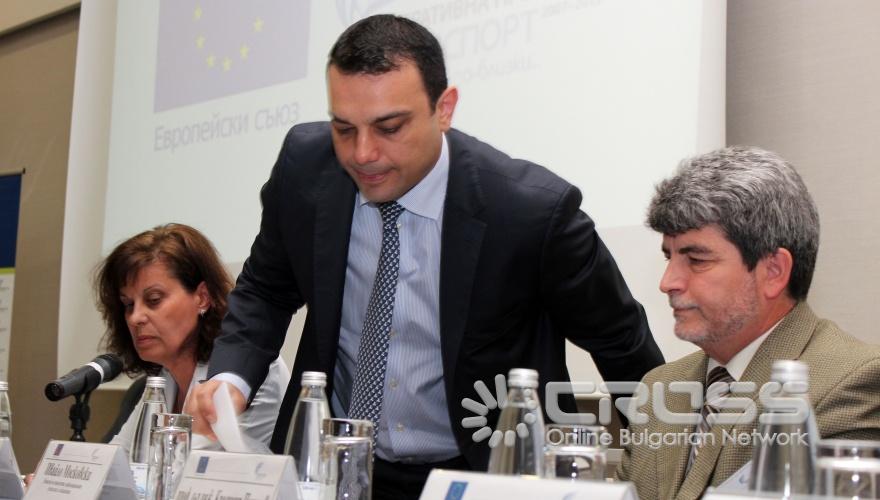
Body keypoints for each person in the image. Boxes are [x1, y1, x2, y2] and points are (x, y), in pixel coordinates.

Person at [189, 14, 663, 499]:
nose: (362, 153)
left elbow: (620, 342)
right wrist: (231, 378)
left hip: (476, 474)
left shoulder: (530, 212)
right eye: (344, 128)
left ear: (444, 109)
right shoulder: (304, 167)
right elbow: (266, 289)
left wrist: (669, 467)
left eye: (389, 127)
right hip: (337, 465)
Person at [615, 146, 880, 499]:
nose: (668, 282)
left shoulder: (855, 382)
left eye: (696, 260)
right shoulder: (658, 388)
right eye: (669, 258)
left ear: (773, 272)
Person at [95, 223, 289, 454]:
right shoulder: (164, 378)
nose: (135, 317)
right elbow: (117, 456)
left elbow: (200, 469)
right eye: (128, 304)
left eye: (154, 300)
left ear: (202, 297)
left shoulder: (246, 374)